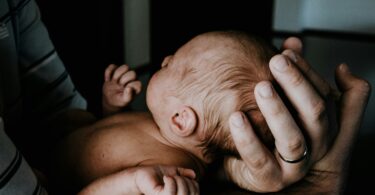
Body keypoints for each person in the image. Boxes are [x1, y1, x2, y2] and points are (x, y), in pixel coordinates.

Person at [0, 0, 370, 194]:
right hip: (55, 143)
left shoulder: (176, 170)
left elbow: (111, 179)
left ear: (182, 119)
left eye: (171, 63)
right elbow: (106, 131)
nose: (162, 59)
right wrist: (114, 105)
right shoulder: (157, 124)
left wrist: (130, 185)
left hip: (54, 181)